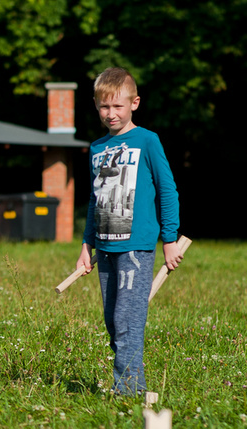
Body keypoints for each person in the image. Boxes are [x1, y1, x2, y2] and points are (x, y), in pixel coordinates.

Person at [75, 67, 183, 396]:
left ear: (134, 103)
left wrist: (170, 239)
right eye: (104, 107)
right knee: (113, 322)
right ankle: (128, 378)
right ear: (96, 106)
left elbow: (168, 190)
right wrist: (86, 244)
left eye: (118, 106)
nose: (111, 113)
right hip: (105, 247)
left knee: (127, 321)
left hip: (136, 247)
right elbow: (96, 200)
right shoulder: (97, 148)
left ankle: (128, 392)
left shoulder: (147, 141)